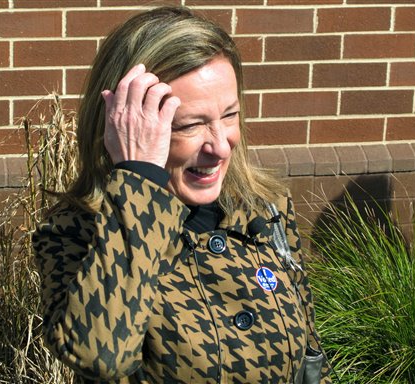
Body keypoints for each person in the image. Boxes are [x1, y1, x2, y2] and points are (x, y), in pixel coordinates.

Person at [33, 5, 331, 383]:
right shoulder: (78, 232)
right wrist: (138, 175)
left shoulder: (263, 208)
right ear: (126, 127)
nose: (221, 147)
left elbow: (310, 355)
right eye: (190, 125)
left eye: (229, 115)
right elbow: (100, 356)